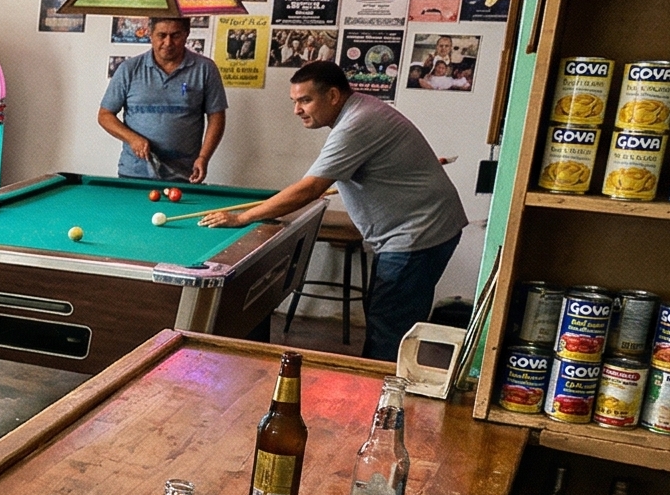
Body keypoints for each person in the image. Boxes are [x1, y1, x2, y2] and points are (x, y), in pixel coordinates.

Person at [200, 60, 470, 363]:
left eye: (305, 100)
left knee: (388, 330)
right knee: (389, 321)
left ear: (332, 96)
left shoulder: (356, 123)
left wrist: (242, 217)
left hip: (417, 235)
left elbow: (310, 188)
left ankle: (381, 401)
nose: (297, 110)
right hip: (427, 228)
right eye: (295, 101)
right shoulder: (363, 109)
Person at [97, 14, 227, 183]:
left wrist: (203, 157)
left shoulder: (205, 69)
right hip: (134, 173)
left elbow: (217, 117)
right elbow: (105, 115)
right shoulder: (128, 69)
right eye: (161, 35)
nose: (168, 43)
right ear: (150, 34)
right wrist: (132, 138)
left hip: (185, 174)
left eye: (175, 35)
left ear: (186, 34)